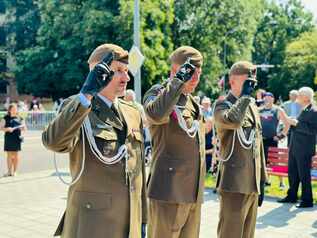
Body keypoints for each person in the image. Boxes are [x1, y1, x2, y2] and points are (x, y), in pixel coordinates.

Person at [42, 44, 147, 238]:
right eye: (118, 71)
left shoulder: (132, 112)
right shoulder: (78, 107)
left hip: (130, 223)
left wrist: (142, 220)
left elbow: (138, 170)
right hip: (93, 225)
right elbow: (52, 141)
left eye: (126, 70)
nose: (127, 78)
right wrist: (87, 94)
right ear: (99, 72)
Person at [143, 46, 205, 238]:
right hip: (169, 192)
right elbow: (156, 114)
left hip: (192, 192)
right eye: (190, 73)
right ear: (175, 70)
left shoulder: (192, 102)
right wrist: (178, 81)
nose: (195, 79)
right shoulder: (159, 92)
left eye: (198, 74)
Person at [214, 61, 267, 238]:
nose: (251, 85)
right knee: (231, 234)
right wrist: (244, 97)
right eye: (247, 80)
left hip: (252, 183)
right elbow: (234, 121)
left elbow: (258, 144)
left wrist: (262, 180)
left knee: (247, 235)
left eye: (253, 81)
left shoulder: (252, 107)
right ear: (233, 81)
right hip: (234, 184)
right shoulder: (222, 106)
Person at [278, 87, 317, 208]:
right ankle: (292, 196)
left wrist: (296, 123)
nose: (297, 97)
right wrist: (292, 123)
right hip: (295, 147)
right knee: (293, 173)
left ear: (306, 97)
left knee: (304, 175)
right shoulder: (303, 110)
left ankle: (307, 200)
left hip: (304, 149)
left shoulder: (314, 111)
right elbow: (299, 127)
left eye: (299, 95)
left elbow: (312, 130)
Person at [259, 92, 290, 188]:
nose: (267, 99)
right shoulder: (259, 110)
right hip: (260, 140)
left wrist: (281, 136)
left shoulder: (278, 110)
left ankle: (281, 182)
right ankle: (265, 181)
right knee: (261, 161)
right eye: (265, 98)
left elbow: (287, 124)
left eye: (269, 98)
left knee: (275, 162)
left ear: (273, 99)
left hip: (272, 140)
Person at [0, 103, 27, 177]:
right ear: (9, 110)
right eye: (13, 109)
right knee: (9, 155)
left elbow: (25, 128)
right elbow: (1, 127)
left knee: (15, 155)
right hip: (8, 138)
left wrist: (22, 128)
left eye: (15, 109)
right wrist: (7, 129)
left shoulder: (20, 118)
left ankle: (15, 171)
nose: (14, 110)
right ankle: (9, 172)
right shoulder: (5, 118)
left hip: (17, 138)